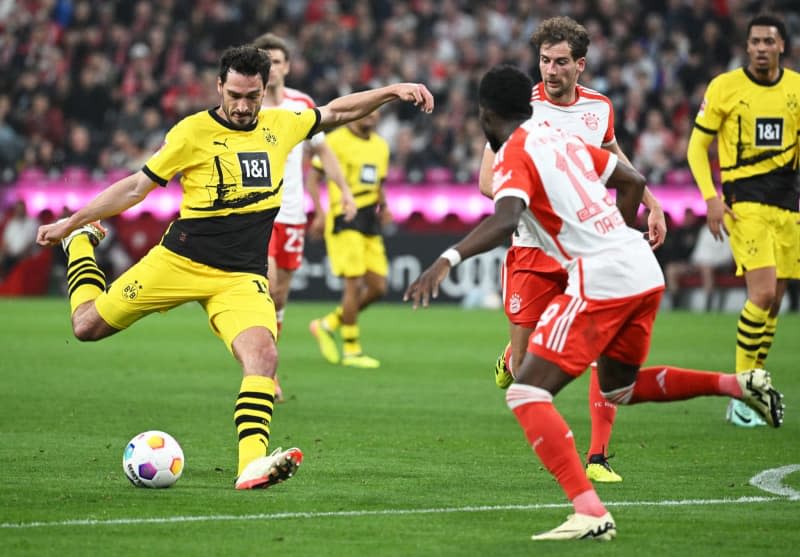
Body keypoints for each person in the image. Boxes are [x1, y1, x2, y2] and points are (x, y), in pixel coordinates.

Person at [405, 64, 784, 541]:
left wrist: (447, 259)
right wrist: (620, 233)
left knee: (525, 392)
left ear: (485, 115)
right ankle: (737, 382)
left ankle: (588, 510)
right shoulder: (558, 136)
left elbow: (505, 219)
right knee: (617, 388)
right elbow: (631, 179)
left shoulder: (516, 151)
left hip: (602, 277)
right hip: (643, 270)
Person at [36, 45, 434, 490]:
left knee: (263, 356)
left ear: (266, 91)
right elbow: (134, 188)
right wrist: (72, 222)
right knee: (86, 326)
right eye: (236, 95)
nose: (244, 107)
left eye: (253, 97)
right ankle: (80, 246)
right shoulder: (191, 132)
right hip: (179, 262)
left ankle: (251, 465)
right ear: (219, 86)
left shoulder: (282, 124)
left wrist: (393, 90)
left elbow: (336, 111)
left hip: (241, 277)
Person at [478, 16, 668, 483]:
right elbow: (487, 182)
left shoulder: (599, 108)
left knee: (602, 347)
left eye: (561, 62)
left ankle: (598, 457)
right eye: (544, 60)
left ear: (580, 65)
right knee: (525, 372)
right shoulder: (521, 108)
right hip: (531, 243)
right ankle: (510, 356)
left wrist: (651, 202)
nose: (550, 70)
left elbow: (614, 158)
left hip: (584, 248)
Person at [687, 13, 800, 427]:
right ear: (747, 46)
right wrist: (711, 198)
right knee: (764, 293)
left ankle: (757, 383)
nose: (761, 47)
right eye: (755, 41)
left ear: (782, 46)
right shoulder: (725, 87)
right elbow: (697, 149)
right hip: (744, 205)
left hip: (788, 207)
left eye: (769, 41)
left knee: (776, 303)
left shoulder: (797, 89)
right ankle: (739, 392)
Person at [252, 32, 357, 401]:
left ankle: (267, 366)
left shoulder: (301, 104)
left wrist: (342, 191)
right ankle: (265, 375)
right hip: (259, 213)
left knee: (280, 297)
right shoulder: (249, 105)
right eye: (265, 59)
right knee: (265, 285)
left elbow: (322, 152)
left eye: (277, 60)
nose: (272, 66)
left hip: (293, 213)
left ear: (286, 67)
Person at [307, 107, 391, 368]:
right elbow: (313, 178)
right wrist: (320, 213)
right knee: (353, 285)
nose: (371, 116)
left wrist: (384, 206)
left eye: (376, 113)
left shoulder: (381, 146)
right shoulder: (335, 141)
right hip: (344, 216)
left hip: (369, 218)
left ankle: (327, 324)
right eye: (368, 112)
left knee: (378, 287)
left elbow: (377, 183)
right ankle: (352, 350)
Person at [0, 200, 39, 279]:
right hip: (10, 254)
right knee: (3, 257)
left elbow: (31, 243)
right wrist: (5, 251)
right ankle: (4, 283)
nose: (19, 211)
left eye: (21, 209)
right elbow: (5, 241)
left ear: (25, 209)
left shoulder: (33, 222)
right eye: (18, 209)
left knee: (11, 261)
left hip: (26, 254)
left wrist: (20, 254)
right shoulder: (12, 223)